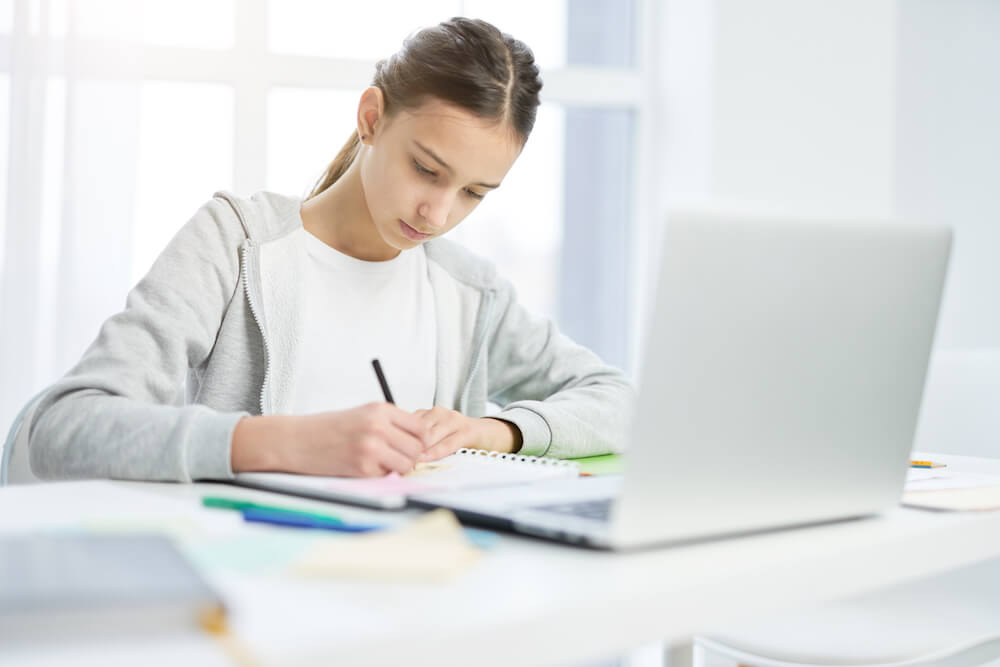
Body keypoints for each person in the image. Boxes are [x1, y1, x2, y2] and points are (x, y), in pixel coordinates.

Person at [23, 17, 634, 482]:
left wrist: (496, 430)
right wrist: (286, 444)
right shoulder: (235, 244)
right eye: (426, 169)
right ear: (372, 117)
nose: (439, 213)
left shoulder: (469, 295)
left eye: (474, 192)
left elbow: (619, 400)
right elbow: (64, 428)